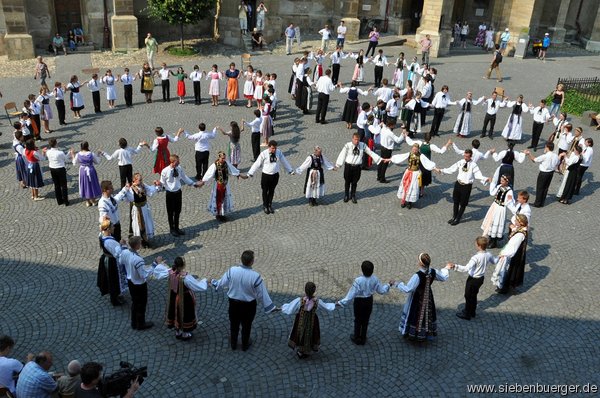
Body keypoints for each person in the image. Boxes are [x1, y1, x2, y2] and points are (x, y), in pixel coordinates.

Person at [212, 250, 278, 351]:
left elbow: (222, 283)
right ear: (252, 262)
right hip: (248, 306)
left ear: (241, 260)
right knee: (247, 325)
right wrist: (271, 307)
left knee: (234, 324)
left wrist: (214, 283)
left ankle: (233, 344)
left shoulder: (232, 270)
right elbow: (262, 294)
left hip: (233, 304)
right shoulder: (255, 276)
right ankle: (244, 345)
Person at [392, 253, 451, 342]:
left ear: (421, 263)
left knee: (415, 314)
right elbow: (443, 277)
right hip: (428, 296)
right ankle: (424, 333)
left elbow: (408, 289)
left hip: (417, 298)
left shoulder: (417, 276)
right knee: (427, 313)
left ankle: (412, 334)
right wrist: (446, 268)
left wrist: (396, 284)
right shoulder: (432, 271)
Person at [153, 256, 208, 341]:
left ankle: (177, 331)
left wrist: (159, 263)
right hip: (184, 299)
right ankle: (185, 333)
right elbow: (197, 286)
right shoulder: (185, 277)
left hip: (173, 296)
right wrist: (205, 281)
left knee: (175, 312)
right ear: (183, 266)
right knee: (184, 314)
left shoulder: (170, 272)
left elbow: (159, 272)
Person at [337, 261, 390, 345]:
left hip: (359, 302)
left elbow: (351, 294)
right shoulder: (375, 279)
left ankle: (356, 337)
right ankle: (363, 337)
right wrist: (388, 285)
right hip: (369, 301)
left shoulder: (358, 281)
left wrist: (341, 302)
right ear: (372, 270)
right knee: (366, 320)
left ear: (362, 270)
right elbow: (381, 291)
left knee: (358, 319)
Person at [447, 236, 498, 320]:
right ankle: (472, 311)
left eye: (476, 244)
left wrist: (454, 266)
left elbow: (466, 268)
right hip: (480, 279)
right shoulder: (488, 254)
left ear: (479, 246)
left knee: (468, 295)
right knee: (474, 295)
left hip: (473, 279)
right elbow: (494, 261)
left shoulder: (475, 258)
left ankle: (467, 313)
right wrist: (500, 257)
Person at [282, 282, 336, 358]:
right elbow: (326, 306)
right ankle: (307, 350)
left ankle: (301, 351)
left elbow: (291, 308)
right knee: (312, 333)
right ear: (314, 291)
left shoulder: (300, 300)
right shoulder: (317, 302)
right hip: (313, 321)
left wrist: (281, 308)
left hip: (301, 320)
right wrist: (335, 304)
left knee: (300, 333)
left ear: (305, 290)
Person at [436, 149, 491, 225]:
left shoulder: (473, 165)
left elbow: (478, 175)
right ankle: (454, 217)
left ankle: (458, 219)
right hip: (458, 184)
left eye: (467, 156)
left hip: (466, 186)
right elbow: (452, 169)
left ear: (470, 157)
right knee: (455, 201)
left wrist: (485, 179)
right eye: (464, 156)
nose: (465, 158)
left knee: (463, 203)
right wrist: (442, 171)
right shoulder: (461, 162)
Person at [121, 236, 160, 330]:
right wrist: (155, 263)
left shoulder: (125, 252)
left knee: (135, 303)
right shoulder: (138, 260)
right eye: (140, 242)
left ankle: (134, 322)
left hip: (130, 281)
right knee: (141, 304)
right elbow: (144, 274)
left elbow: (120, 261)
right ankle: (141, 324)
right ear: (137, 245)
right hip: (139, 285)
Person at [336, 132, 388, 203]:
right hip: (349, 166)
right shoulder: (347, 145)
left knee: (355, 182)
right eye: (355, 139)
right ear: (352, 139)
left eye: (358, 140)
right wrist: (338, 164)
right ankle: (346, 195)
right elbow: (342, 154)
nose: (356, 141)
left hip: (357, 167)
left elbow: (370, 152)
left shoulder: (363, 145)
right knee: (347, 181)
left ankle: (353, 195)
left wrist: (380, 159)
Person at [159, 154, 204, 236]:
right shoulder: (165, 171)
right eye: (177, 161)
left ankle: (177, 228)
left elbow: (185, 178)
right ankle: (171, 229)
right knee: (170, 212)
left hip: (178, 192)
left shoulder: (179, 168)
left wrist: (194, 184)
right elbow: (162, 183)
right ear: (172, 162)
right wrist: (158, 184)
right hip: (170, 194)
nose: (179, 162)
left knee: (177, 211)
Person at [247, 140, 294, 214]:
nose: (274, 150)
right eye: (272, 148)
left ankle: (269, 205)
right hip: (266, 175)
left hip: (275, 175)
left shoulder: (279, 152)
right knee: (265, 191)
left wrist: (290, 170)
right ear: (269, 147)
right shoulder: (264, 154)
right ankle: (265, 205)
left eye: (275, 148)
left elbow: (284, 161)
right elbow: (257, 163)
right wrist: (250, 172)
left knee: (272, 190)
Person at [202, 150, 247, 222]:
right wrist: (203, 181)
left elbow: (231, 169)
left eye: (224, 158)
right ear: (219, 158)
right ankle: (218, 214)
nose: (223, 159)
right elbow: (209, 173)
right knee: (218, 199)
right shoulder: (215, 165)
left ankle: (222, 213)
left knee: (224, 198)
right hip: (218, 185)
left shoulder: (226, 163)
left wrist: (238, 174)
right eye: (222, 158)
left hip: (225, 184)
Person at [390, 143, 436, 208]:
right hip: (408, 172)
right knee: (405, 186)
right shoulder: (409, 154)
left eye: (415, 150)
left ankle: (410, 202)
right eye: (413, 149)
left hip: (415, 173)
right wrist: (391, 159)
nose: (414, 151)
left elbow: (427, 162)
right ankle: (403, 200)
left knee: (412, 187)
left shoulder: (421, 156)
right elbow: (400, 157)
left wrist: (434, 168)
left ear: (418, 150)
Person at [491, 214, 528, 294]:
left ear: (521, 223)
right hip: (514, 253)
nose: (514, 222)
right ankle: (506, 286)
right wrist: (513, 228)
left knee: (509, 270)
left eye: (516, 221)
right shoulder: (520, 229)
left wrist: (504, 254)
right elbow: (515, 231)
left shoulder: (520, 234)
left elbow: (513, 245)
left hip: (514, 254)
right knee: (508, 270)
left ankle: (507, 287)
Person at [481, 175, 514, 248]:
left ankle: (494, 241)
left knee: (497, 222)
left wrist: (514, 211)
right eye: (501, 180)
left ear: (507, 182)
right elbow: (492, 193)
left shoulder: (509, 191)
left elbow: (510, 202)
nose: (501, 182)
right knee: (490, 221)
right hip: (494, 206)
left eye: (502, 181)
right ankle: (490, 237)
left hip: (500, 209)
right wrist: (492, 183)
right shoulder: (499, 186)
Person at [129, 173, 161, 248]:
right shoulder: (132, 189)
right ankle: (141, 240)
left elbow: (150, 191)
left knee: (146, 223)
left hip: (144, 208)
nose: (141, 181)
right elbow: (128, 198)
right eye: (139, 180)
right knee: (139, 225)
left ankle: (146, 240)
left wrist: (156, 186)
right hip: (137, 209)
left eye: (141, 179)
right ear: (134, 180)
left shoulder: (143, 185)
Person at [524, 143, 560, 207]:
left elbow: (534, 160)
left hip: (543, 173)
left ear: (547, 147)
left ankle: (537, 203)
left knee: (540, 188)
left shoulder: (545, 156)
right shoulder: (556, 156)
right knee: (546, 188)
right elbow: (558, 163)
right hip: (551, 173)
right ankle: (542, 202)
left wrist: (529, 154)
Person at [46, 138, 70, 205]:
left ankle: (59, 201)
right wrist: (69, 153)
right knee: (64, 185)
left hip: (52, 169)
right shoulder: (60, 152)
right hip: (60, 169)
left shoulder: (48, 152)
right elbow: (65, 159)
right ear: (56, 144)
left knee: (56, 185)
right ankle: (66, 201)